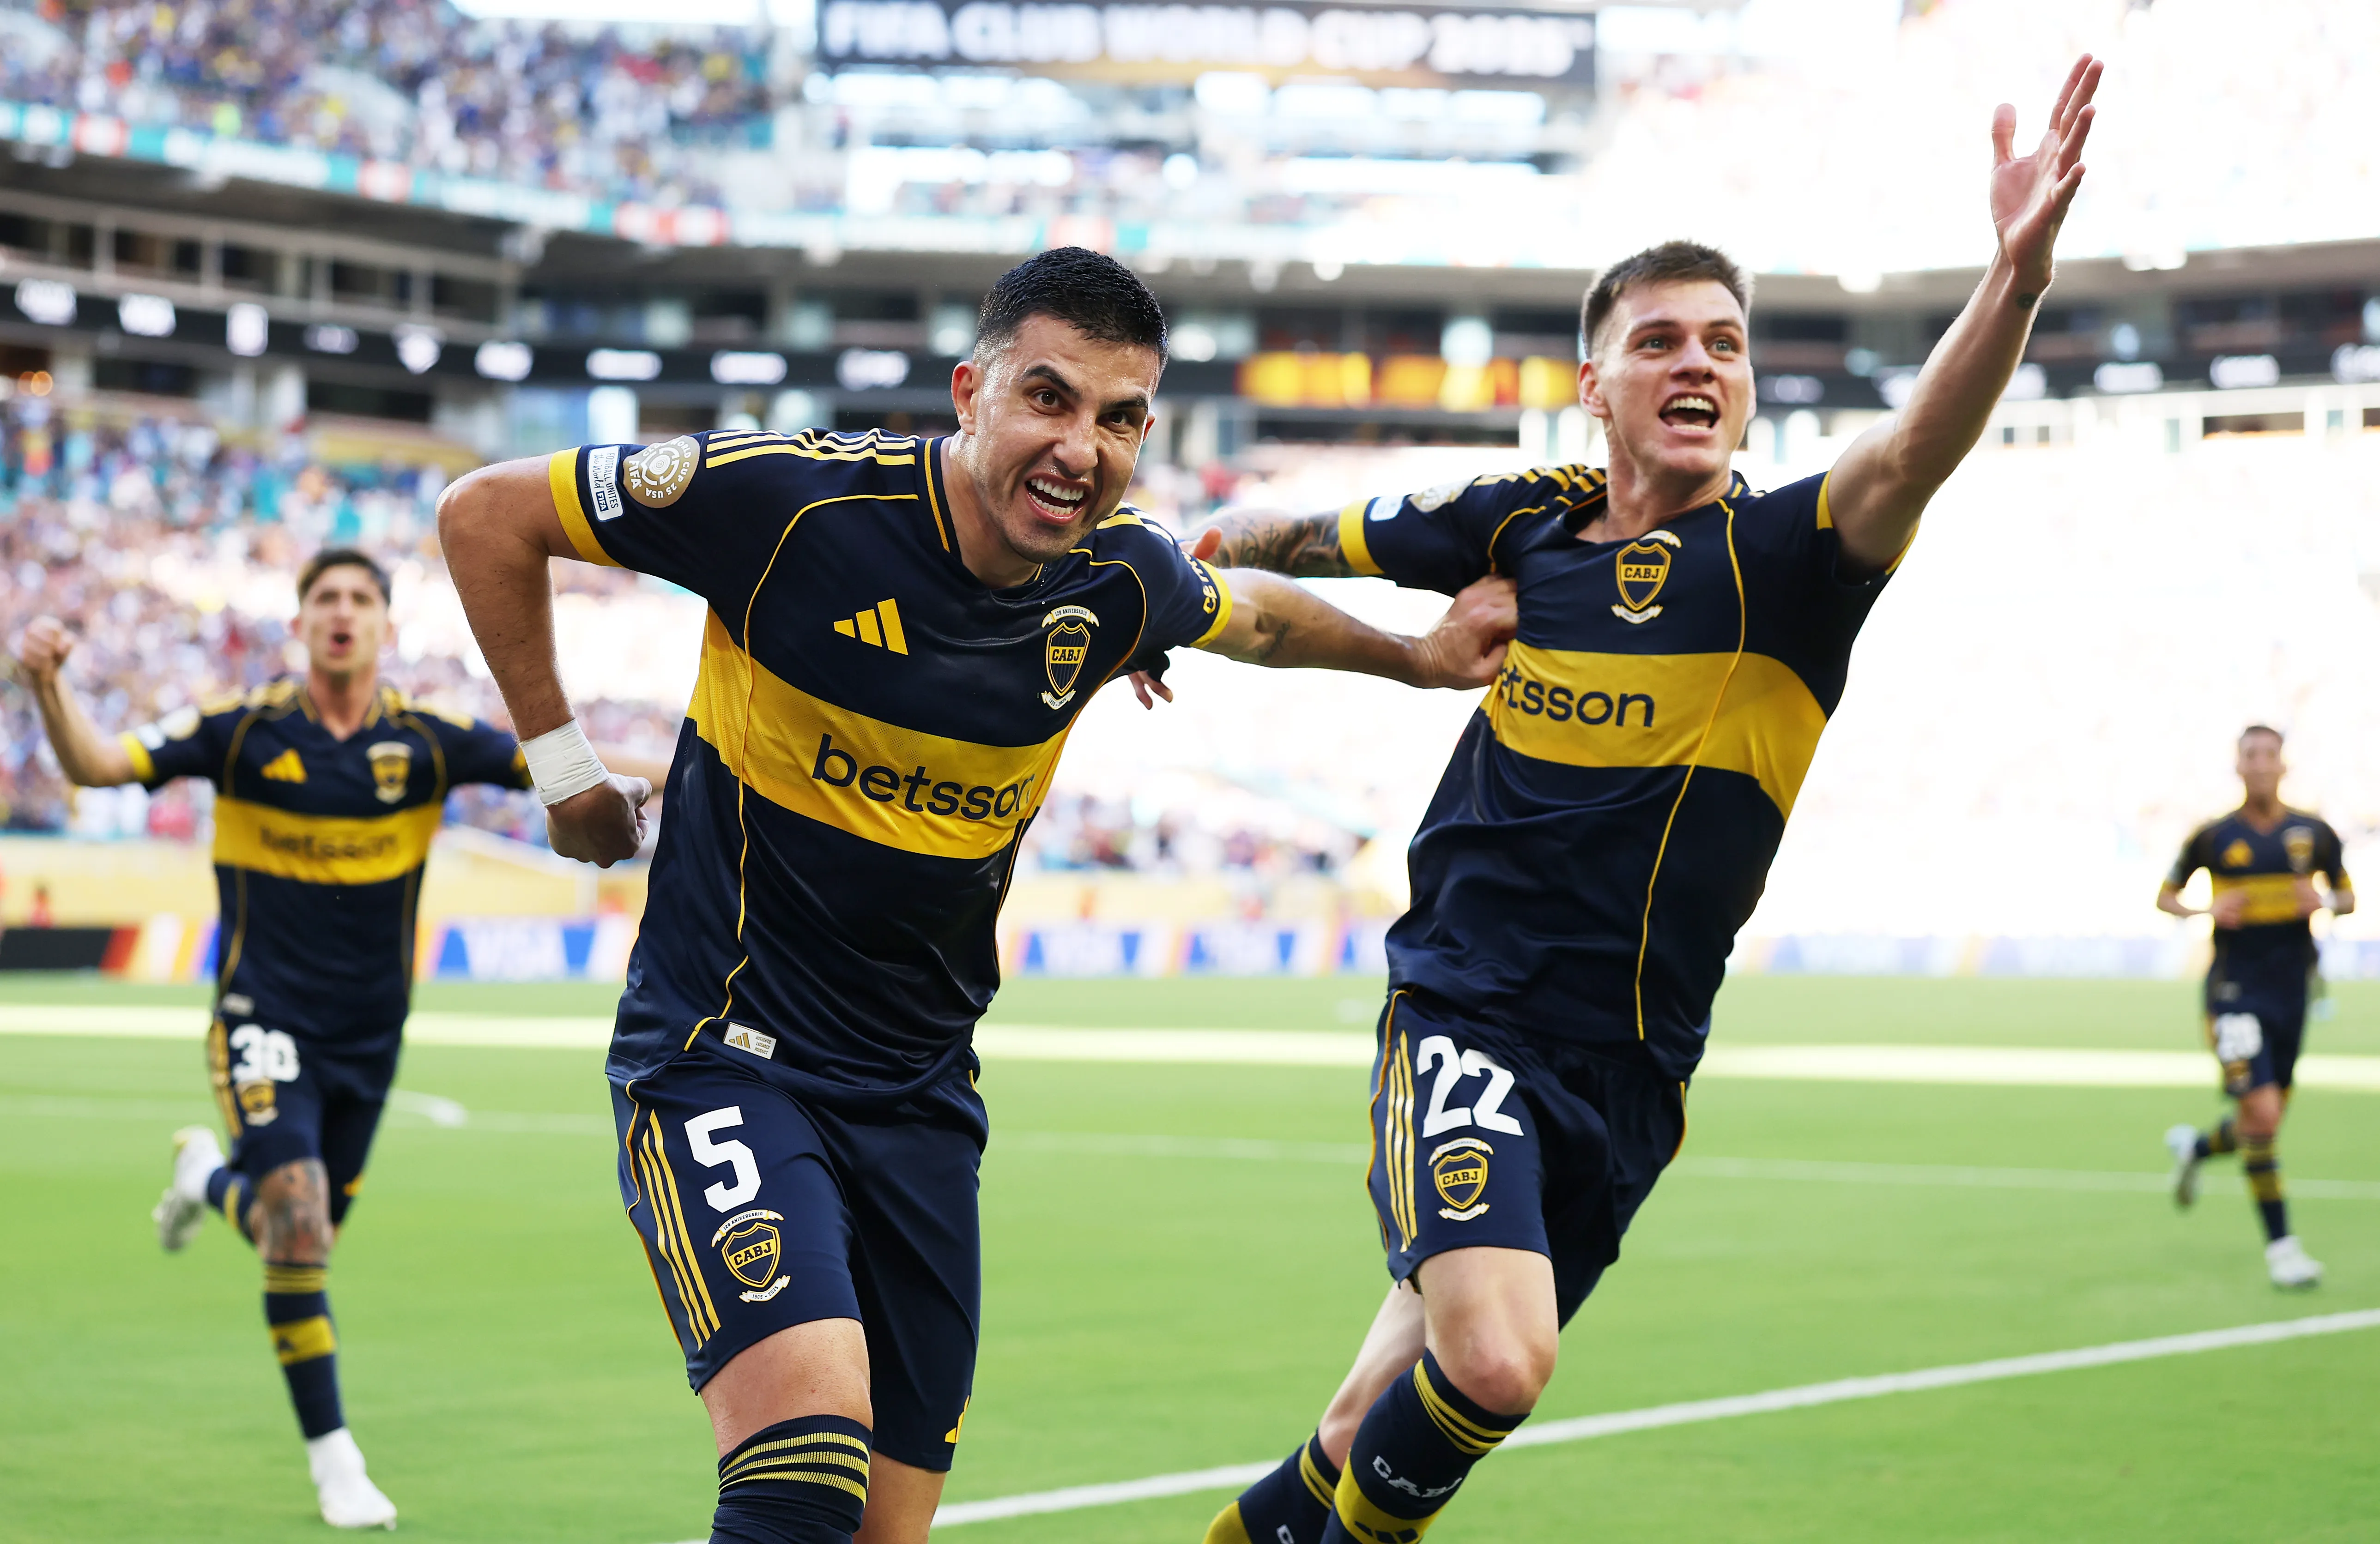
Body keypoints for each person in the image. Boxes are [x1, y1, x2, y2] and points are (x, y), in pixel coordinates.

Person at [433, 246, 1517, 1544]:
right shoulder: (790, 507)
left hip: (922, 1106)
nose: (1082, 448)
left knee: (887, 1529)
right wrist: (564, 774)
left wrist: (1421, 656)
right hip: (728, 1057)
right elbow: (487, 512)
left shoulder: (1119, 581)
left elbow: (1263, 620)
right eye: (1050, 399)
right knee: (800, 1467)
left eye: (1120, 420)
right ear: (971, 392)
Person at [1171, 58, 2106, 1544]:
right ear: (1594, 381)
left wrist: (2013, 278)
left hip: (1630, 1078)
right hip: (1470, 1012)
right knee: (1495, 1359)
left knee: (1363, 1427)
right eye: (1659, 339)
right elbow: (1321, 533)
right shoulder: (1525, 519)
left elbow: (1915, 442)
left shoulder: (1789, 562)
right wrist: (1199, 565)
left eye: (1725, 344)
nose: (1699, 363)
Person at [13, 548, 658, 1530]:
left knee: (290, 1235)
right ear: (301, 624)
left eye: (361, 598)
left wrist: (682, 772)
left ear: (386, 626)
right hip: (261, 1018)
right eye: (325, 598)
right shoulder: (243, 732)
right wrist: (51, 687)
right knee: (301, 1227)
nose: (343, 612)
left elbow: (558, 763)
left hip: (370, 1037)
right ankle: (337, 1463)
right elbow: (98, 766)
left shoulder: (428, 741)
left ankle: (203, 1179)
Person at [2158, 726, 2352, 1289]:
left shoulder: (2312, 833)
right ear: (2237, 766)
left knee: (2258, 1120)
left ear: (2283, 765)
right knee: (2262, 1118)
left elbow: (2347, 895)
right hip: (2232, 994)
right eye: (2250, 755)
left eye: (2269, 754)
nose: (2260, 764)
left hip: (2290, 994)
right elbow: (2165, 895)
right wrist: (2205, 911)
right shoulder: (2213, 837)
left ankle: (2195, 1147)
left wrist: (2327, 900)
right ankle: (2282, 1249)